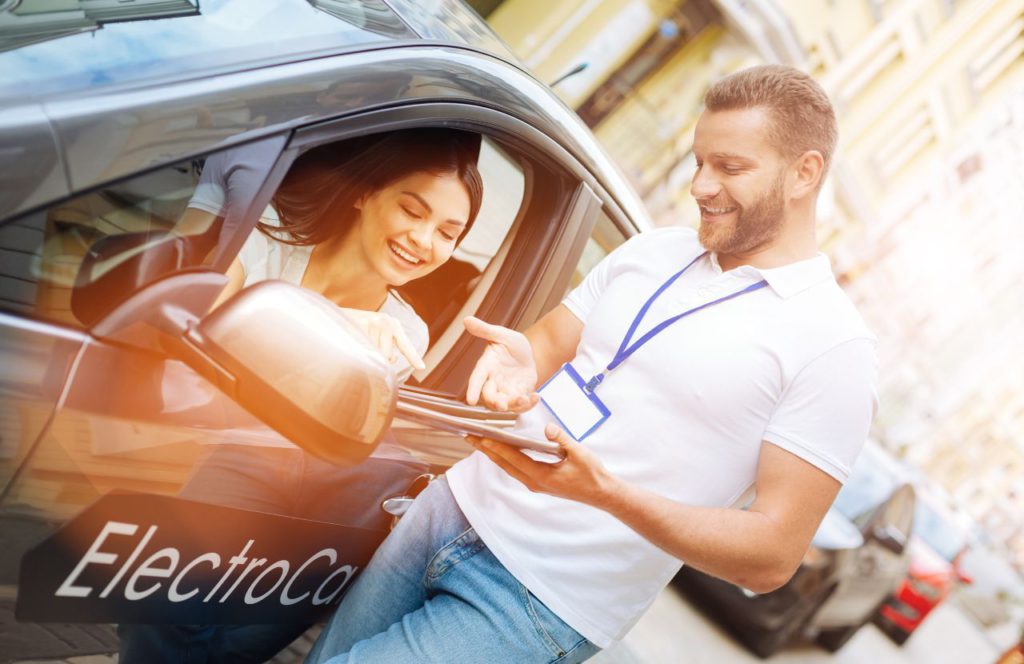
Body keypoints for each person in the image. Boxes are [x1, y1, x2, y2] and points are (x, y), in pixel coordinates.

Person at [307, 65, 879, 663]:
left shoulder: (835, 349)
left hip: (541, 601)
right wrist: (516, 363)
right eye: (699, 162)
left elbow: (771, 556)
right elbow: (547, 344)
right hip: (452, 506)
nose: (701, 187)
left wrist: (606, 494)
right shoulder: (656, 250)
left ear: (804, 173)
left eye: (730, 168)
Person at [118, 128, 484, 663]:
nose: (425, 241)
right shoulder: (263, 243)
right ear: (364, 193)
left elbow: (316, 441)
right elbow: (186, 337)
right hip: (175, 448)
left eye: (448, 233)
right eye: (412, 210)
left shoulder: (406, 333)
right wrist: (330, 326)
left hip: (277, 501)